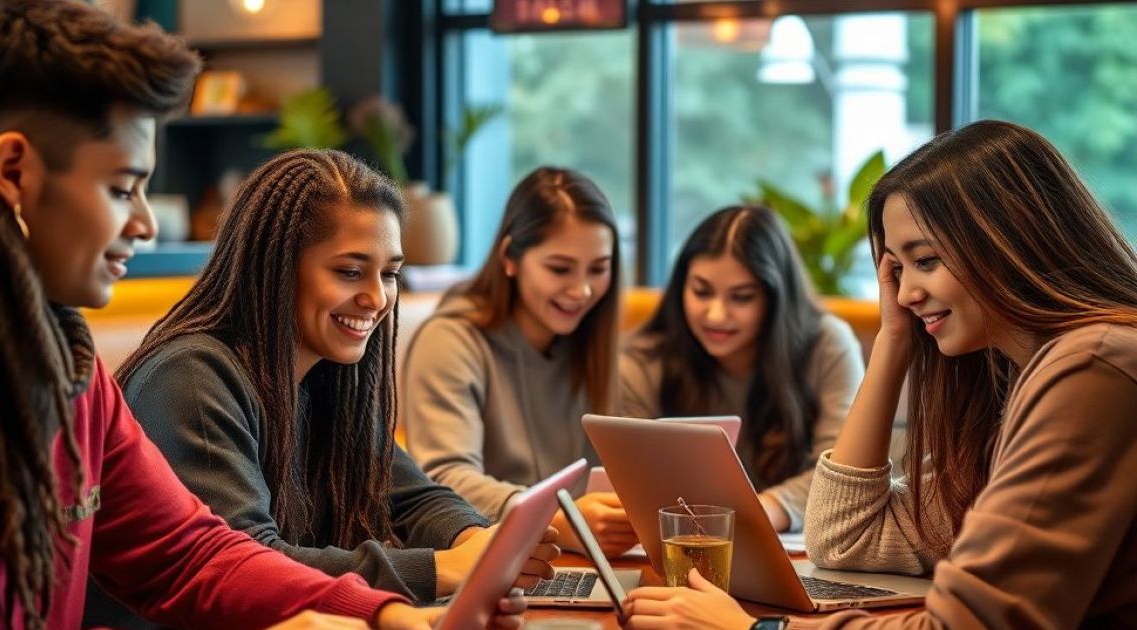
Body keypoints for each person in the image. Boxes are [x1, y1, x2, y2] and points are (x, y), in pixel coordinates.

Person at [0, 1, 522, 628]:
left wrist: (380, 613)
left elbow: (189, 555)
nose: (144, 222)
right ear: (14, 170)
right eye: (121, 187)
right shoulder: (181, 374)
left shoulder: (72, 377)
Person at [622, 120, 1137, 628]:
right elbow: (845, 538)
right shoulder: (1015, 387)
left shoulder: (1092, 366)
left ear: (1011, 239)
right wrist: (894, 342)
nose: (907, 295)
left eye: (926, 261)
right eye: (896, 271)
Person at [84, 149, 557, 627]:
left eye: (389, 273)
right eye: (350, 271)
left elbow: (413, 497)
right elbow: (252, 561)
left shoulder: (332, 374)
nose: (377, 298)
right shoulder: (190, 377)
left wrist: (478, 544)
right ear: (275, 267)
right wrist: (438, 571)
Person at [403, 167, 639, 558]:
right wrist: (560, 519)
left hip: (575, 563)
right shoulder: (451, 340)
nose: (581, 290)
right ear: (510, 258)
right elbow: (444, 481)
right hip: (492, 559)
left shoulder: (593, 345)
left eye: (598, 269)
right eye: (560, 269)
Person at [620, 206, 862, 532]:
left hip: (799, 550)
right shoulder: (642, 361)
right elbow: (636, 485)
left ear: (775, 299)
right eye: (701, 291)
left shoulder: (827, 343)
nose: (717, 315)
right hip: (680, 547)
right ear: (680, 288)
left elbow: (843, 473)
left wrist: (753, 517)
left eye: (742, 297)